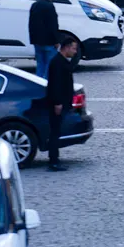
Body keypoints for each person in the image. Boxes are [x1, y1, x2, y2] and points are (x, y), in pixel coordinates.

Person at [45, 33, 78, 172]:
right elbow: (55, 84)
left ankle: (54, 159)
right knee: (55, 132)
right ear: (66, 48)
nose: (75, 52)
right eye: (74, 49)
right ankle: (53, 161)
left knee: (56, 132)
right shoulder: (58, 63)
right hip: (57, 103)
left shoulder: (61, 61)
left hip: (60, 102)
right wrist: (57, 102)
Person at [29, 0, 59, 80]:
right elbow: (53, 26)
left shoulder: (34, 5)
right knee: (49, 66)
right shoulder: (50, 6)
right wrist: (56, 40)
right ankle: (47, 87)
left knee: (40, 65)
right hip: (49, 41)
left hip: (37, 41)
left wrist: (32, 39)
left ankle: (38, 83)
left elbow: (31, 24)